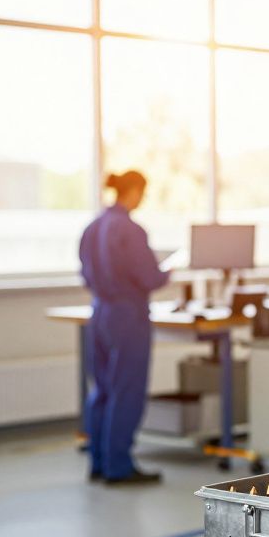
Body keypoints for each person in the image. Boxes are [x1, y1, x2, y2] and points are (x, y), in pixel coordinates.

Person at [79, 170, 171, 485]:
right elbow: (150, 277)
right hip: (128, 315)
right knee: (126, 390)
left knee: (102, 388)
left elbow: (86, 273)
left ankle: (99, 461)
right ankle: (119, 467)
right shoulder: (129, 230)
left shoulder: (93, 227)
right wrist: (167, 270)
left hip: (99, 313)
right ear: (133, 191)